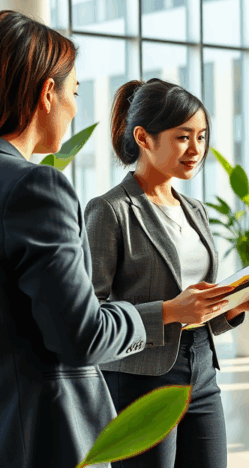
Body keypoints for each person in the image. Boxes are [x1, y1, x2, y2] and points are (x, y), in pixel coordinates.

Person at [84, 78, 249, 467]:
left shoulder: (196, 210)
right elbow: (92, 315)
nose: (196, 150)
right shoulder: (110, 211)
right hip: (138, 380)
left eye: (202, 137)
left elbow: (199, 306)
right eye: (183, 137)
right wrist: (170, 311)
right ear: (143, 137)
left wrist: (237, 306)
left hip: (202, 370)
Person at [0, 11, 147, 468]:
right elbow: (80, 337)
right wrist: (140, 317)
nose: (76, 107)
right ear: (48, 93)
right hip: (42, 439)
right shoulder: (34, 187)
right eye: (76, 91)